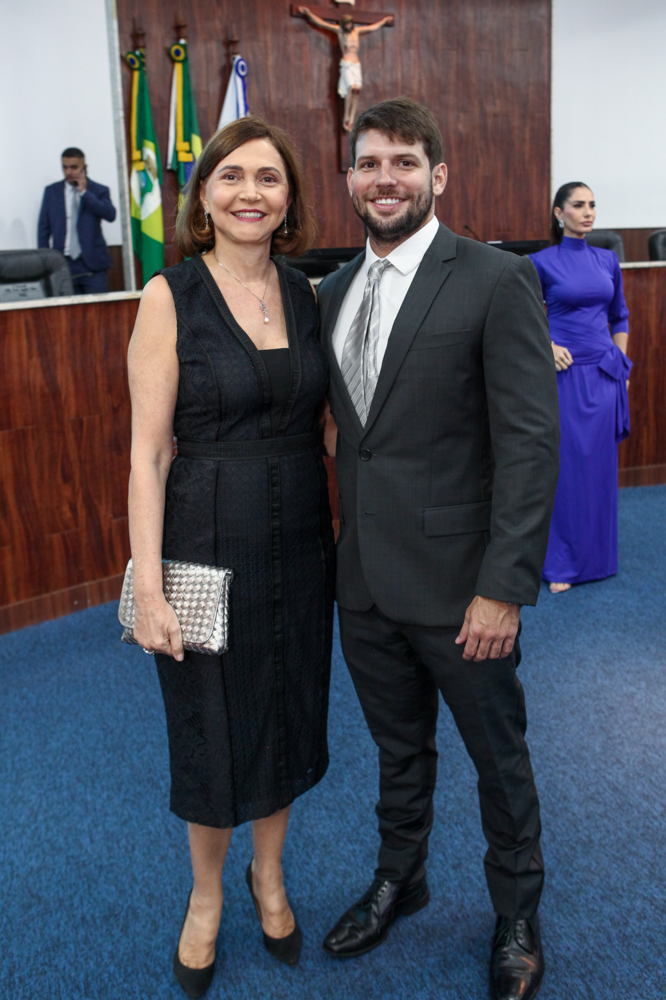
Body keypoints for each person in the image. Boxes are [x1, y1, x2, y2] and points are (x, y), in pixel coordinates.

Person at [316, 97, 559, 1000]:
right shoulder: (331, 291)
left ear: (438, 176)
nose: (385, 179)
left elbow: (529, 444)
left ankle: (517, 913)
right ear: (349, 177)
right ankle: (401, 878)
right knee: (397, 750)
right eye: (369, 162)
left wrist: (503, 588)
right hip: (364, 584)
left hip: (464, 591)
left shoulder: (495, 278)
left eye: (404, 162)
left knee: (499, 760)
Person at [126, 116, 334, 999]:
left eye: (269, 178)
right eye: (232, 176)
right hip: (203, 543)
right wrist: (148, 586)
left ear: (288, 200)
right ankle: (206, 895)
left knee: (286, 709)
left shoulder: (308, 293)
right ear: (203, 196)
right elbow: (147, 454)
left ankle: (268, 873)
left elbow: (330, 427)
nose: (251, 192)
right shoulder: (168, 295)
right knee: (211, 726)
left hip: (302, 543)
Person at [530, 183, 631, 594]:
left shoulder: (608, 260)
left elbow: (620, 316)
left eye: (592, 205)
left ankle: (598, 558)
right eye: (578, 205)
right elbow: (522, 317)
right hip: (565, 378)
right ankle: (563, 562)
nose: (588, 212)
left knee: (600, 471)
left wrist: (621, 365)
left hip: (605, 375)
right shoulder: (540, 263)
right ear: (559, 213)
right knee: (568, 471)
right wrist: (548, 344)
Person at [298, 7, 393, 131]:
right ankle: (346, 117)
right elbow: (322, 23)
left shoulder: (356, 31)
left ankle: (351, 118)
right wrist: (309, 13)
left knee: (356, 90)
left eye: (350, 23)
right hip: (347, 64)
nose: (349, 25)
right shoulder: (339, 31)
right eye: (347, 24)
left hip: (356, 64)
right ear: (343, 24)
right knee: (351, 88)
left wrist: (384, 21)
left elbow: (371, 27)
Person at [37, 146, 116, 294]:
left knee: (98, 307)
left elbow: (110, 215)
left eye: (74, 167)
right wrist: (45, 262)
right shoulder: (52, 192)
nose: (69, 172)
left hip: (92, 264)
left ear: (84, 167)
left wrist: (85, 193)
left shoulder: (98, 190)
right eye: (65, 167)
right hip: (62, 263)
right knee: (67, 307)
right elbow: (43, 229)